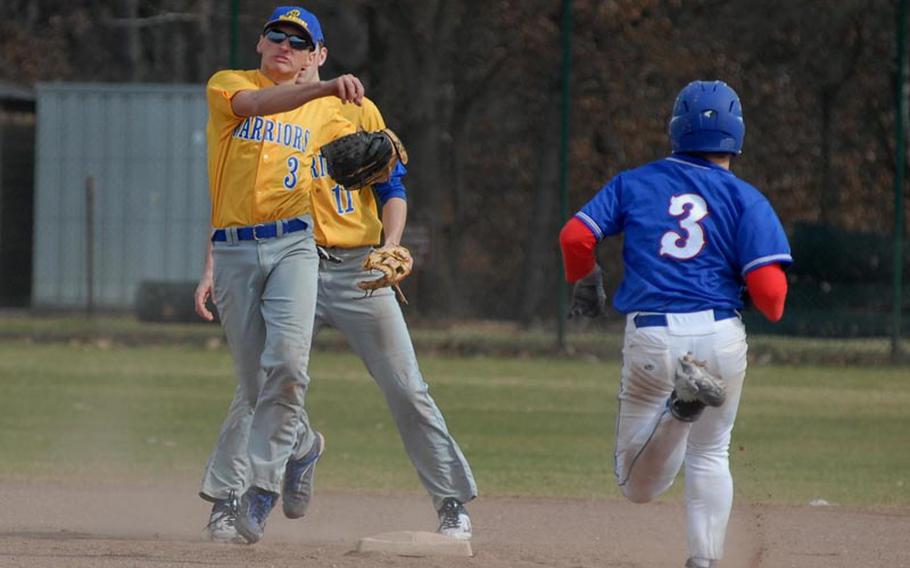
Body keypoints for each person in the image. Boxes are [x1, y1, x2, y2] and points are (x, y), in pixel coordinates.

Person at [559, 80, 791, 568]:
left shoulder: (635, 182)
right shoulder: (747, 199)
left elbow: (576, 235)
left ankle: (681, 407)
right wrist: (747, 288)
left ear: (675, 129)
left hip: (653, 335)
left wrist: (586, 278)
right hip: (720, 336)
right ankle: (703, 561)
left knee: (638, 487)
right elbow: (771, 298)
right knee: (711, 453)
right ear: (738, 134)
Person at [193, 5, 368, 545]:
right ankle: (302, 447)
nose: (284, 47)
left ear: (314, 54)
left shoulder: (331, 112)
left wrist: (388, 209)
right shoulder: (228, 86)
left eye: (298, 42)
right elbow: (234, 184)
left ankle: (252, 494)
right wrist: (210, 265)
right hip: (236, 251)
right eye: (276, 36)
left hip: (295, 245)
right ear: (259, 43)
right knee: (255, 383)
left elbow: (377, 168)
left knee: (287, 367)